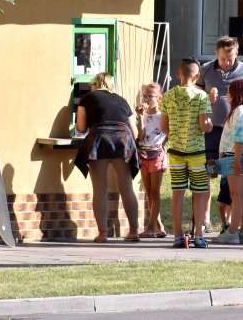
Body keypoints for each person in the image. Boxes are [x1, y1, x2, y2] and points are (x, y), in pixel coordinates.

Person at [197, 36, 243, 234]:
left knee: (234, 180)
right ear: (216, 54)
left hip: (237, 132)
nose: (226, 62)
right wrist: (208, 97)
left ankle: (232, 221)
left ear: (237, 53)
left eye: (230, 58)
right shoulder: (206, 69)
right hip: (212, 129)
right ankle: (205, 218)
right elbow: (196, 97)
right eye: (223, 58)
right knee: (207, 171)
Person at [75, 73, 140, 243]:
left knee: (100, 189)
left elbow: (81, 128)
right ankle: (134, 231)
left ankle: (103, 233)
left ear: (95, 84)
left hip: (100, 139)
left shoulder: (87, 98)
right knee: (126, 188)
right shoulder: (122, 100)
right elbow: (135, 132)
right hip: (123, 140)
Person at [160, 58, 214, 248]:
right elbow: (203, 125)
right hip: (197, 152)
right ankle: (198, 234)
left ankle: (177, 235)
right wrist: (208, 126)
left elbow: (163, 126)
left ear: (178, 74)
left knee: (178, 192)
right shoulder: (201, 96)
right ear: (197, 76)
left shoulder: (167, 96)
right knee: (199, 192)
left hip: (175, 151)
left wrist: (175, 135)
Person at [213, 79, 243, 244]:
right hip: (236, 155)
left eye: (229, 91)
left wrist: (237, 160)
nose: (227, 95)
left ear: (236, 93)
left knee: (236, 196)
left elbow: (240, 137)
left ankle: (232, 232)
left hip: (234, 156)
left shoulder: (240, 111)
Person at [135, 82, 168, 239]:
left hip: (156, 155)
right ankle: (159, 226)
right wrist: (140, 118)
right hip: (143, 154)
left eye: (151, 96)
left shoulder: (162, 116)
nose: (147, 99)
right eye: (145, 96)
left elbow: (168, 134)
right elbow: (140, 136)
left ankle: (150, 228)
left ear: (159, 98)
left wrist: (162, 147)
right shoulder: (144, 115)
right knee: (149, 193)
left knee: (155, 193)